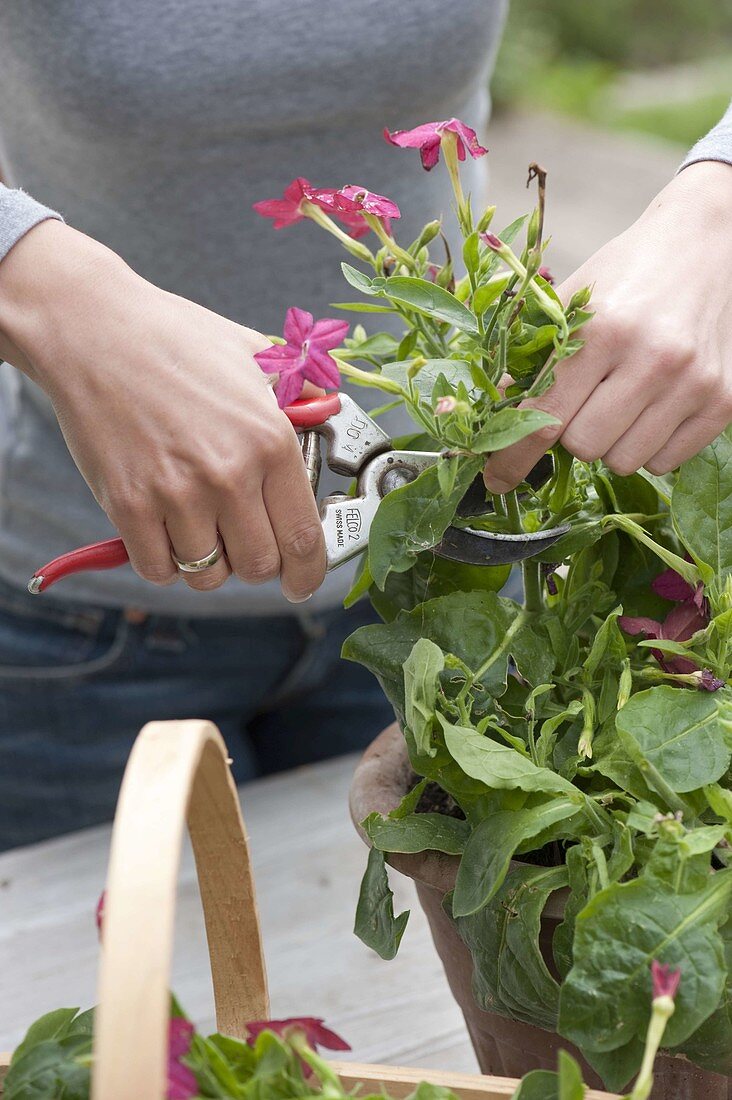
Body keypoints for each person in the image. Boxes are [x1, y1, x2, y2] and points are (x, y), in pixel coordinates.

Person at [0, 2, 729, 851]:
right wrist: (47, 290)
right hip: (76, 647)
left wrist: (716, 204)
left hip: (444, 585)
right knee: (120, 975)